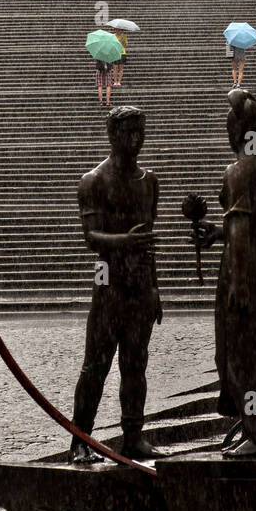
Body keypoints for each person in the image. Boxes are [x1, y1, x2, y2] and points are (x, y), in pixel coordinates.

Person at [68, 105, 162, 464]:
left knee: (136, 366)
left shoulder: (149, 181)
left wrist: (155, 289)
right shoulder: (94, 181)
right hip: (108, 285)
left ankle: (133, 436)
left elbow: (149, 243)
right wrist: (126, 241)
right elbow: (91, 236)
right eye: (128, 133)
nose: (135, 140)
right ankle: (80, 438)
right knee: (96, 365)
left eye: (141, 132)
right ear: (113, 135)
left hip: (140, 286)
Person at [195, 89, 256, 457]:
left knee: (235, 356)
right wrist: (218, 232)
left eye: (229, 124)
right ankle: (255, 430)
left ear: (240, 130)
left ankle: (255, 435)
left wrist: (238, 279)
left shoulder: (236, 171)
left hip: (241, 268)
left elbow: (241, 228)